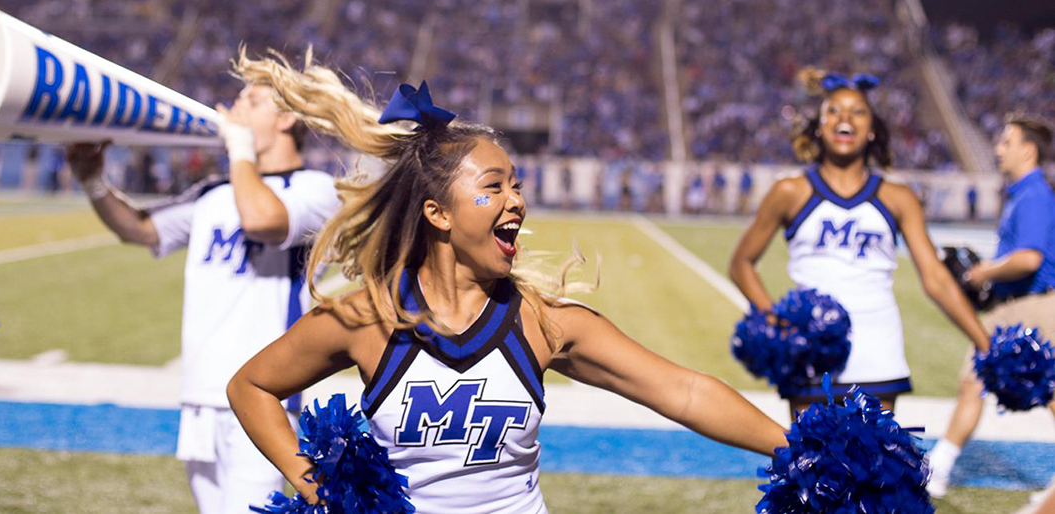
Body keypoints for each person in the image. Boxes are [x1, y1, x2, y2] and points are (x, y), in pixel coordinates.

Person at [226, 53, 789, 513]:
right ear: (437, 214)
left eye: (516, 186)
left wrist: (800, 450)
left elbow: (684, 393)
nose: (515, 199)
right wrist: (319, 488)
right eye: (494, 187)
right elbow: (250, 387)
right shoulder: (369, 319)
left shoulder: (545, 323)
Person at [65, 81, 341, 513]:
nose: (233, 110)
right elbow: (140, 229)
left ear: (287, 118)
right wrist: (93, 182)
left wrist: (240, 153)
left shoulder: (316, 188)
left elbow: (263, 220)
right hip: (200, 391)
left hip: (266, 396)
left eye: (251, 101)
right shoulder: (214, 191)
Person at [728, 70, 990, 419]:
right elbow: (741, 263)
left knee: (875, 469)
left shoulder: (898, 198)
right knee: (809, 467)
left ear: (872, 131)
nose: (845, 118)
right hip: (810, 354)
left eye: (857, 112)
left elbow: (936, 279)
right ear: (819, 127)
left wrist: (985, 342)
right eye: (834, 111)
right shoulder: (790, 192)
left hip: (877, 350)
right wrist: (778, 321)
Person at [926, 117, 1055, 498]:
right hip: (1027, 305)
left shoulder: (1033, 195)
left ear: (1028, 150)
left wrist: (983, 271)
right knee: (980, 383)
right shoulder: (1026, 193)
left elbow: (1030, 259)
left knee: (977, 380)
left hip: (1030, 306)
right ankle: (940, 466)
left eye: (1006, 142)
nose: (998, 149)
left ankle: (938, 468)